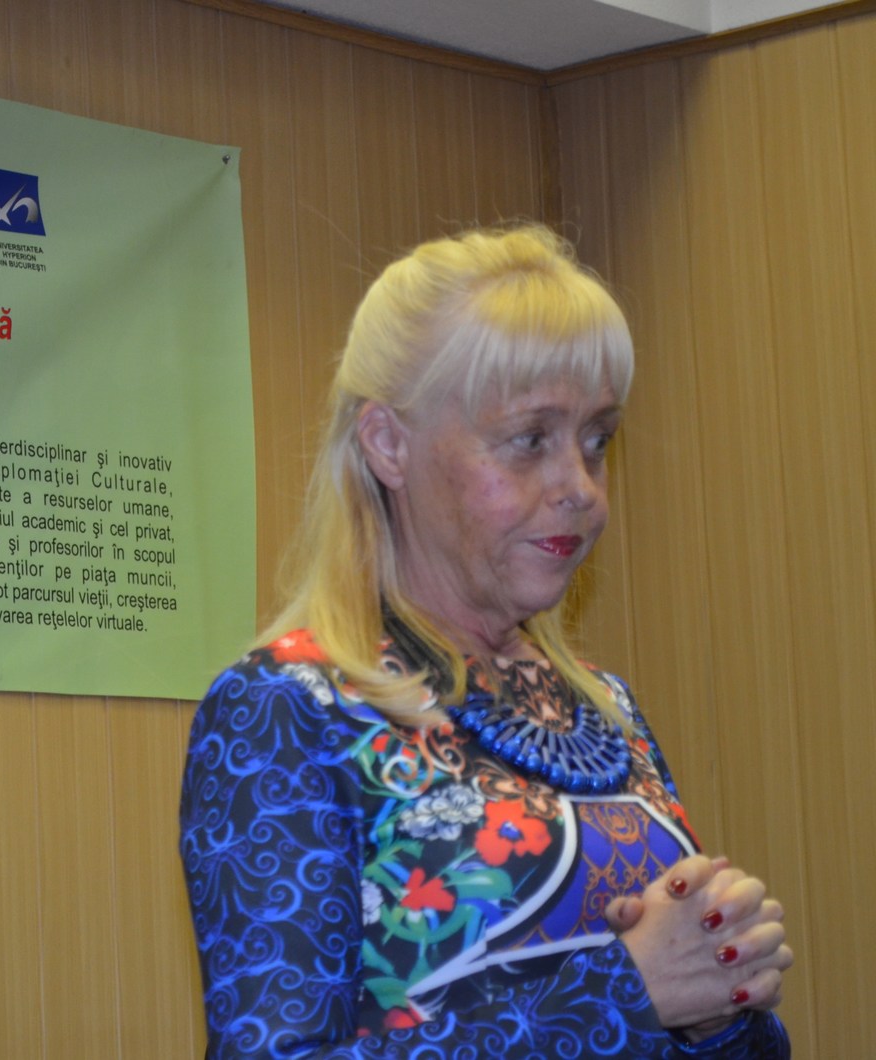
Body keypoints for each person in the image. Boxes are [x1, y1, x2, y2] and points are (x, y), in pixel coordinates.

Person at [178, 226, 792, 1057]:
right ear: (388, 444)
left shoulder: (606, 706)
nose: (580, 488)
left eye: (597, 440)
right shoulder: (287, 711)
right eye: (530, 439)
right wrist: (625, 995)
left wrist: (719, 1009)